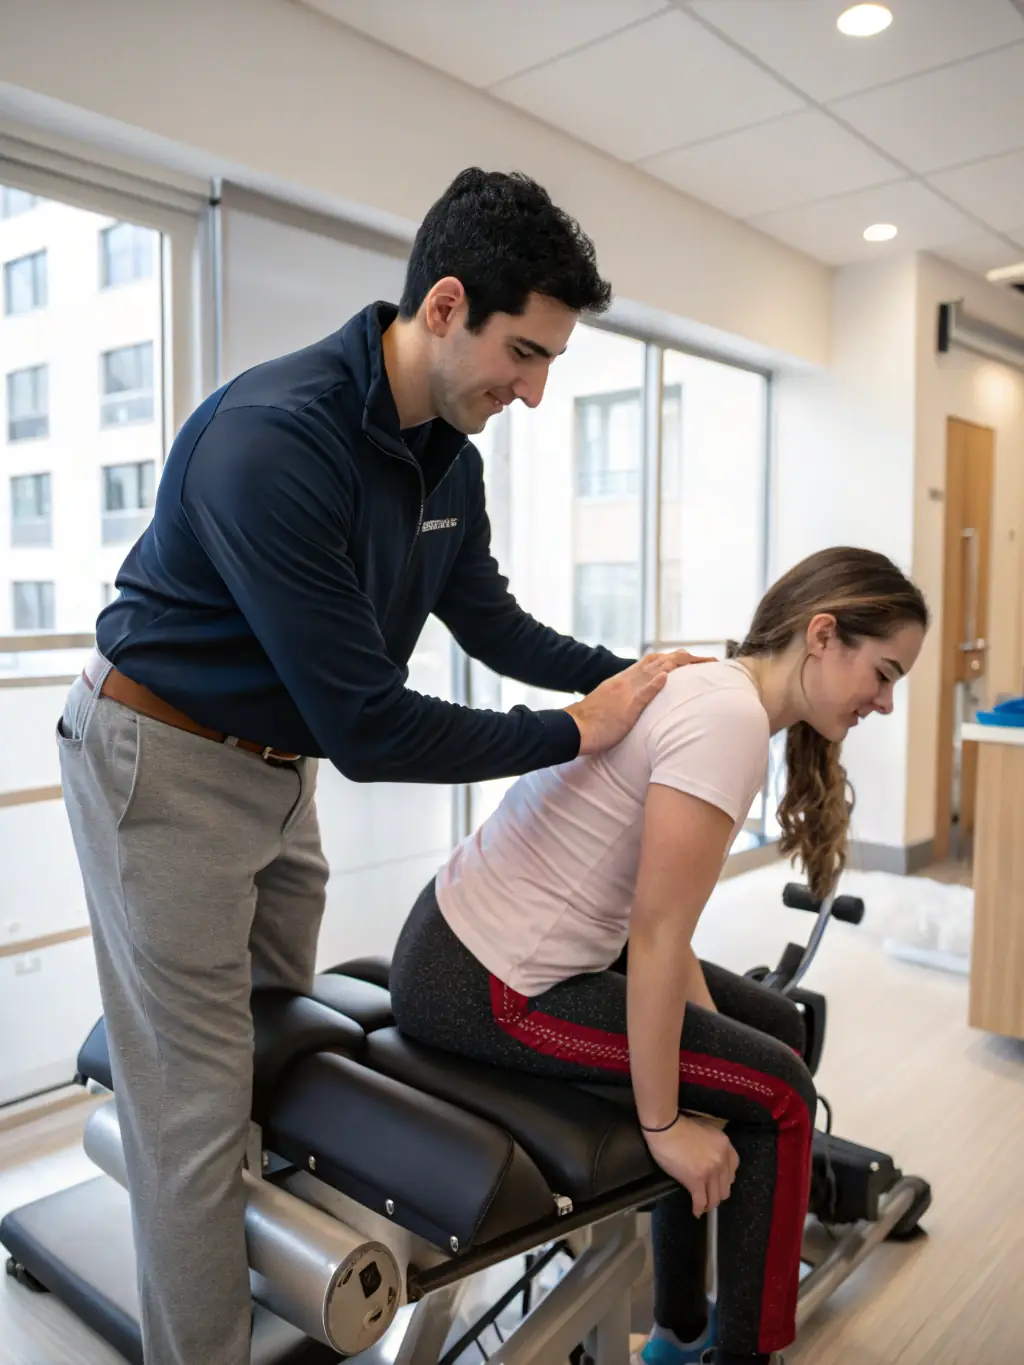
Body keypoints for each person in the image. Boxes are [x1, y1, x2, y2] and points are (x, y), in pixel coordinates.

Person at [56, 167, 703, 1365]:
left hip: (274, 769)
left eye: (552, 361)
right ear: (446, 305)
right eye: (525, 353)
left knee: (267, 1050)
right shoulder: (274, 441)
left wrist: (647, 678)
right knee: (194, 1111)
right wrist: (575, 733)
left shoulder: (446, 451)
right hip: (162, 767)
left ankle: (242, 1283)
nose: (536, 391)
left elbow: (494, 625)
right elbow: (371, 724)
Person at [390, 547, 929, 1365]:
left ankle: (679, 1327)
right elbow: (657, 936)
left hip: (481, 941)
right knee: (781, 1094)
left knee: (772, 1029)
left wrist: (711, 1070)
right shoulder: (730, 720)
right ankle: (732, 1351)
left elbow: (657, 933)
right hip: (484, 980)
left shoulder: (721, 692)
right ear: (823, 634)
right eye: (883, 673)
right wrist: (665, 1119)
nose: (886, 702)